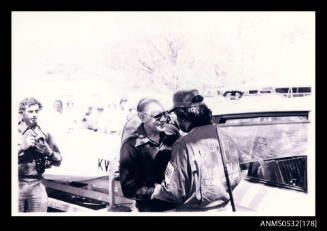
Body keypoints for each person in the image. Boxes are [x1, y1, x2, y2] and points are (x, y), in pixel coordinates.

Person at [150, 89, 246, 211]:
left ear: (182, 116)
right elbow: (243, 168)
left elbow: (173, 192)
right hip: (226, 209)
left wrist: (156, 190)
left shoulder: (184, 144)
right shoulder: (225, 135)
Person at [119, 97, 180, 212]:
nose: (163, 119)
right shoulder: (131, 146)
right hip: (151, 209)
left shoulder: (173, 137)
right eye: (157, 116)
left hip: (179, 205)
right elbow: (129, 188)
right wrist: (156, 192)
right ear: (142, 117)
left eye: (165, 114)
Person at [18, 97, 62, 212]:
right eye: (30, 111)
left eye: (36, 111)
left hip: (37, 183)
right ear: (22, 112)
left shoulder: (44, 132)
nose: (34, 115)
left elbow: (59, 160)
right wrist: (21, 148)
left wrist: (49, 152)